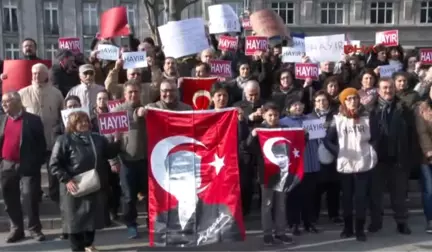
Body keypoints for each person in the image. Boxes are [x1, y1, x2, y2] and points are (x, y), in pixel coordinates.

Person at [49, 111, 120, 252]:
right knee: (74, 224)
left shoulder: (97, 139)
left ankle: (88, 244)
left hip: (93, 186)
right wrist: (67, 179)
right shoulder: (63, 140)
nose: (84, 124)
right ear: (72, 124)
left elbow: (109, 153)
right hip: (74, 187)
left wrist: (117, 140)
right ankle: (77, 249)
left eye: (86, 121)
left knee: (91, 221)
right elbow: (54, 164)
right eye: (80, 121)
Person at [324, 88, 379, 242]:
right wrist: (338, 152)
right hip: (346, 163)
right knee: (347, 198)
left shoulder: (368, 117)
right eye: (349, 99)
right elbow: (327, 140)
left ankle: (360, 229)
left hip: (363, 162)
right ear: (343, 101)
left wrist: (371, 151)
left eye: (355, 98)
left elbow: (376, 137)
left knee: (360, 198)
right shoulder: (338, 119)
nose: (352, 101)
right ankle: (348, 228)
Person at [0, 91, 47, 243]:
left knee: (29, 197)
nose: (3, 104)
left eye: (7, 101)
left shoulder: (33, 120)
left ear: (17, 101)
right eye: (3, 102)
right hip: (7, 164)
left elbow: (41, 144)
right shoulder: (2, 120)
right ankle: (17, 229)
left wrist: (36, 163)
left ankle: (34, 229)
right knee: (9, 198)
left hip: (28, 165)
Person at [246, 102, 293, 246]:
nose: (273, 118)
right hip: (266, 172)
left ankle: (281, 233)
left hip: (282, 172)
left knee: (281, 204)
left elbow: (296, 143)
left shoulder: (284, 129)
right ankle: (267, 234)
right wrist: (252, 136)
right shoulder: (259, 130)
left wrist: (305, 135)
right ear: (264, 116)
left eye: (276, 115)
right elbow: (248, 147)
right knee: (267, 204)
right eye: (270, 115)